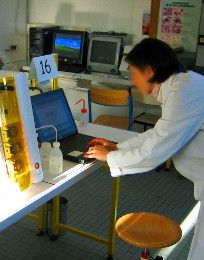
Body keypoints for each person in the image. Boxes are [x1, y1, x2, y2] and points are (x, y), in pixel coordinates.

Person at [84, 38, 204, 260]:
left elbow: (154, 152)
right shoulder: (183, 86)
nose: (132, 80)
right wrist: (117, 146)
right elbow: (158, 133)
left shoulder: (183, 94)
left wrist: (111, 156)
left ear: (149, 71)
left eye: (133, 72)